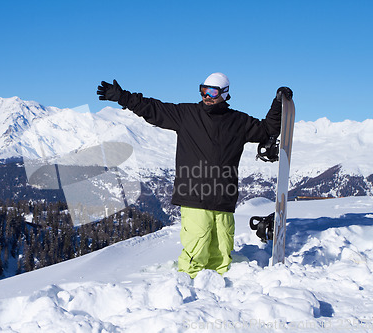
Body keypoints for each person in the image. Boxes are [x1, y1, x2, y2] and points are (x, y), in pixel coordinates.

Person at [97, 73, 292, 278]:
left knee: (223, 245)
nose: (206, 96)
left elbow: (267, 130)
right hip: (193, 193)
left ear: (225, 93)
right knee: (197, 243)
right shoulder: (186, 114)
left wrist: (278, 104)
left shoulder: (238, 121)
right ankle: (189, 283)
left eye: (212, 91)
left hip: (224, 195)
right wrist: (122, 96)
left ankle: (222, 285)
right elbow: (153, 108)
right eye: (203, 90)